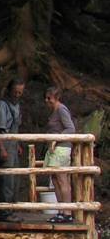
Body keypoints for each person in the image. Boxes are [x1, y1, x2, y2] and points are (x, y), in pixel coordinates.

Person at [0, 79, 25, 221]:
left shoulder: (17, 106)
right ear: (10, 90)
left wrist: (17, 145)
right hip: (4, 145)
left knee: (14, 179)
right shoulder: (1, 106)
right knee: (6, 180)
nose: (17, 95)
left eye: (20, 93)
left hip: (13, 145)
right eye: (15, 92)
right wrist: (2, 149)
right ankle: (4, 213)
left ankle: (11, 210)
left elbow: (15, 127)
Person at [43, 86, 76, 222]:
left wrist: (57, 138)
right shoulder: (54, 111)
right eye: (46, 98)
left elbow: (71, 128)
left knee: (63, 180)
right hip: (53, 150)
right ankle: (61, 211)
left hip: (62, 148)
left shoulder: (61, 109)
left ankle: (67, 212)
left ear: (56, 98)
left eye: (49, 98)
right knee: (55, 180)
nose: (47, 100)